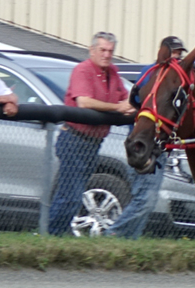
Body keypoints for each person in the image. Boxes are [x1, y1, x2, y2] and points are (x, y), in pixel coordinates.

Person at [47, 31, 134, 236]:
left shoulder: (112, 72)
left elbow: (128, 99)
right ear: (92, 50)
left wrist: (127, 105)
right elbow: (84, 102)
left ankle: (58, 236)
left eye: (110, 51)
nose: (106, 54)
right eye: (102, 50)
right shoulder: (83, 70)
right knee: (69, 194)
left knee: (76, 194)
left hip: (93, 143)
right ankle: (53, 235)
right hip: (74, 139)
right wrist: (117, 107)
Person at [107, 36, 187, 239]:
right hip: (144, 142)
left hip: (159, 144)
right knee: (145, 199)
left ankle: (128, 242)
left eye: (179, 53)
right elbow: (136, 99)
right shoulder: (152, 73)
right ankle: (111, 236)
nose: (177, 57)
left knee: (145, 199)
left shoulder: (175, 77)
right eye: (174, 52)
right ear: (164, 52)